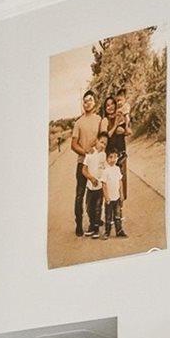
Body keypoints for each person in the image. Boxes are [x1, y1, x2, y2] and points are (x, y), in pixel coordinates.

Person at [61, 90, 105, 237]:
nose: (87, 103)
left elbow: (103, 138)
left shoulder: (99, 119)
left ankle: (95, 220)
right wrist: (86, 153)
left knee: (97, 192)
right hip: (82, 164)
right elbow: (73, 145)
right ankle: (79, 224)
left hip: (96, 164)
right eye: (85, 101)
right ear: (83, 104)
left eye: (90, 100)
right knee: (80, 195)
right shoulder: (78, 122)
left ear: (95, 102)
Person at [103, 93, 132, 235]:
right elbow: (106, 135)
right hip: (110, 160)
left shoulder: (121, 115)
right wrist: (115, 126)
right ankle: (109, 227)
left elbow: (129, 132)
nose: (110, 107)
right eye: (107, 105)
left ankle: (119, 227)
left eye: (112, 104)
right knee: (109, 191)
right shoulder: (104, 120)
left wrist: (125, 130)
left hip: (121, 157)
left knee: (121, 192)